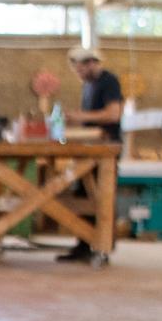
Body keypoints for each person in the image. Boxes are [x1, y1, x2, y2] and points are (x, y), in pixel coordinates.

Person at [57, 45, 124, 262]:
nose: (79, 74)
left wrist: (81, 116)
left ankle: (102, 247)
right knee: (83, 195)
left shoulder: (108, 82)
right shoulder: (89, 86)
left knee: (102, 198)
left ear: (90, 63)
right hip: (91, 149)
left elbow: (113, 114)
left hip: (106, 149)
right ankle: (84, 244)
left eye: (80, 69)